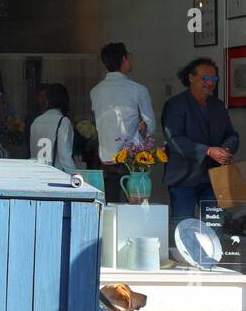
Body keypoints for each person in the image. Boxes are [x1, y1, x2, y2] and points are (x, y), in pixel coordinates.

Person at [162, 58, 239, 225]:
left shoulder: (218, 106)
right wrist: (208, 151)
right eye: (205, 78)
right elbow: (175, 139)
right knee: (183, 227)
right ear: (191, 78)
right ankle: (181, 253)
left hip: (214, 178)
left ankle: (213, 253)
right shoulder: (175, 105)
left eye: (214, 79)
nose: (210, 83)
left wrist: (225, 149)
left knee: (214, 226)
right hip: (184, 177)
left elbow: (232, 135)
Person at [89, 42, 156, 203]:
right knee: (136, 207)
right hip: (133, 161)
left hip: (106, 158)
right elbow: (150, 124)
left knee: (110, 205)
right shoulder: (137, 89)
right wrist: (145, 133)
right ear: (124, 59)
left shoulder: (95, 91)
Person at [29, 83, 74, 171]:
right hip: (56, 175)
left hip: (38, 173)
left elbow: (33, 153)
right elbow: (64, 156)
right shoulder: (63, 122)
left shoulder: (36, 121)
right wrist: (75, 175)